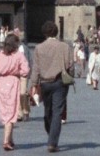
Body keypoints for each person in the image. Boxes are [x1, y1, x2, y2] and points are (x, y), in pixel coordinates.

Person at [28, 20, 73, 153]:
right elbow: (70, 66)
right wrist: (70, 77)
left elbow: (35, 68)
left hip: (45, 83)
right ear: (56, 32)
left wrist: (33, 84)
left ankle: (52, 140)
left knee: (49, 111)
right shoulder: (65, 47)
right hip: (60, 82)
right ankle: (52, 139)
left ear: (44, 33)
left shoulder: (39, 47)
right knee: (57, 112)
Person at [0, 33, 30, 151]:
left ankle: (10, 139)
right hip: (13, 82)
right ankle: (6, 141)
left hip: (0, 83)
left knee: (5, 111)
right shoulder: (19, 56)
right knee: (11, 112)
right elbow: (25, 70)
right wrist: (18, 73)